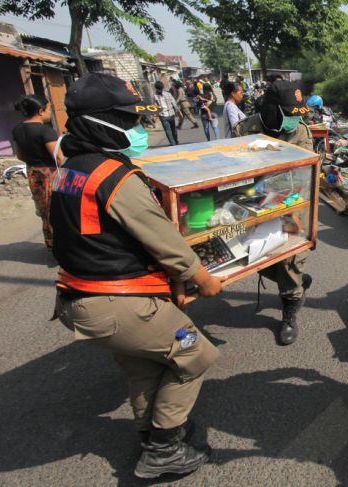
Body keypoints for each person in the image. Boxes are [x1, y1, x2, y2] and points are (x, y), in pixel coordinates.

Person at [50, 73, 222, 479]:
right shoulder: (113, 176)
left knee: (144, 368)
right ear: (101, 121)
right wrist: (201, 277)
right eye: (127, 120)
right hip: (115, 301)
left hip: (80, 295)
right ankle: (163, 450)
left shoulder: (70, 168)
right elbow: (163, 239)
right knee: (196, 354)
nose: (136, 128)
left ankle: (154, 434)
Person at [234, 80, 313, 345]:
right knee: (253, 256)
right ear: (272, 110)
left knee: (291, 260)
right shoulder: (245, 130)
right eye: (289, 114)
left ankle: (290, 310)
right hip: (253, 204)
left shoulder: (300, 132)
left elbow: (306, 172)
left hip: (291, 204)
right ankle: (295, 283)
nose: (294, 121)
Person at [11, 95, 63, 250]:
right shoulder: (45, 131)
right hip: (50, 173)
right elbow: (58, 158)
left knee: (44, 210)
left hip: (33, 173)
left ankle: (52, 244)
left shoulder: (17, 130)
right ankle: (64, 245)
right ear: (41, 111)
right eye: (48, 109)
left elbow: (19, 155)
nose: (50, 112)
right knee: (57, 209)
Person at [153, 81, 179, 146]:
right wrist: (177, 111)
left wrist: (155, 115)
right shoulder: (168, 94)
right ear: (163, 87)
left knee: (168, 130)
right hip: (170, 114)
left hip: (163, 115)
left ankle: (173, 143)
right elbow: (174, 103)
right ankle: (175, 141)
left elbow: (154, 106)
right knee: (173, 129)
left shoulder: (155, 96)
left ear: (156, 88)